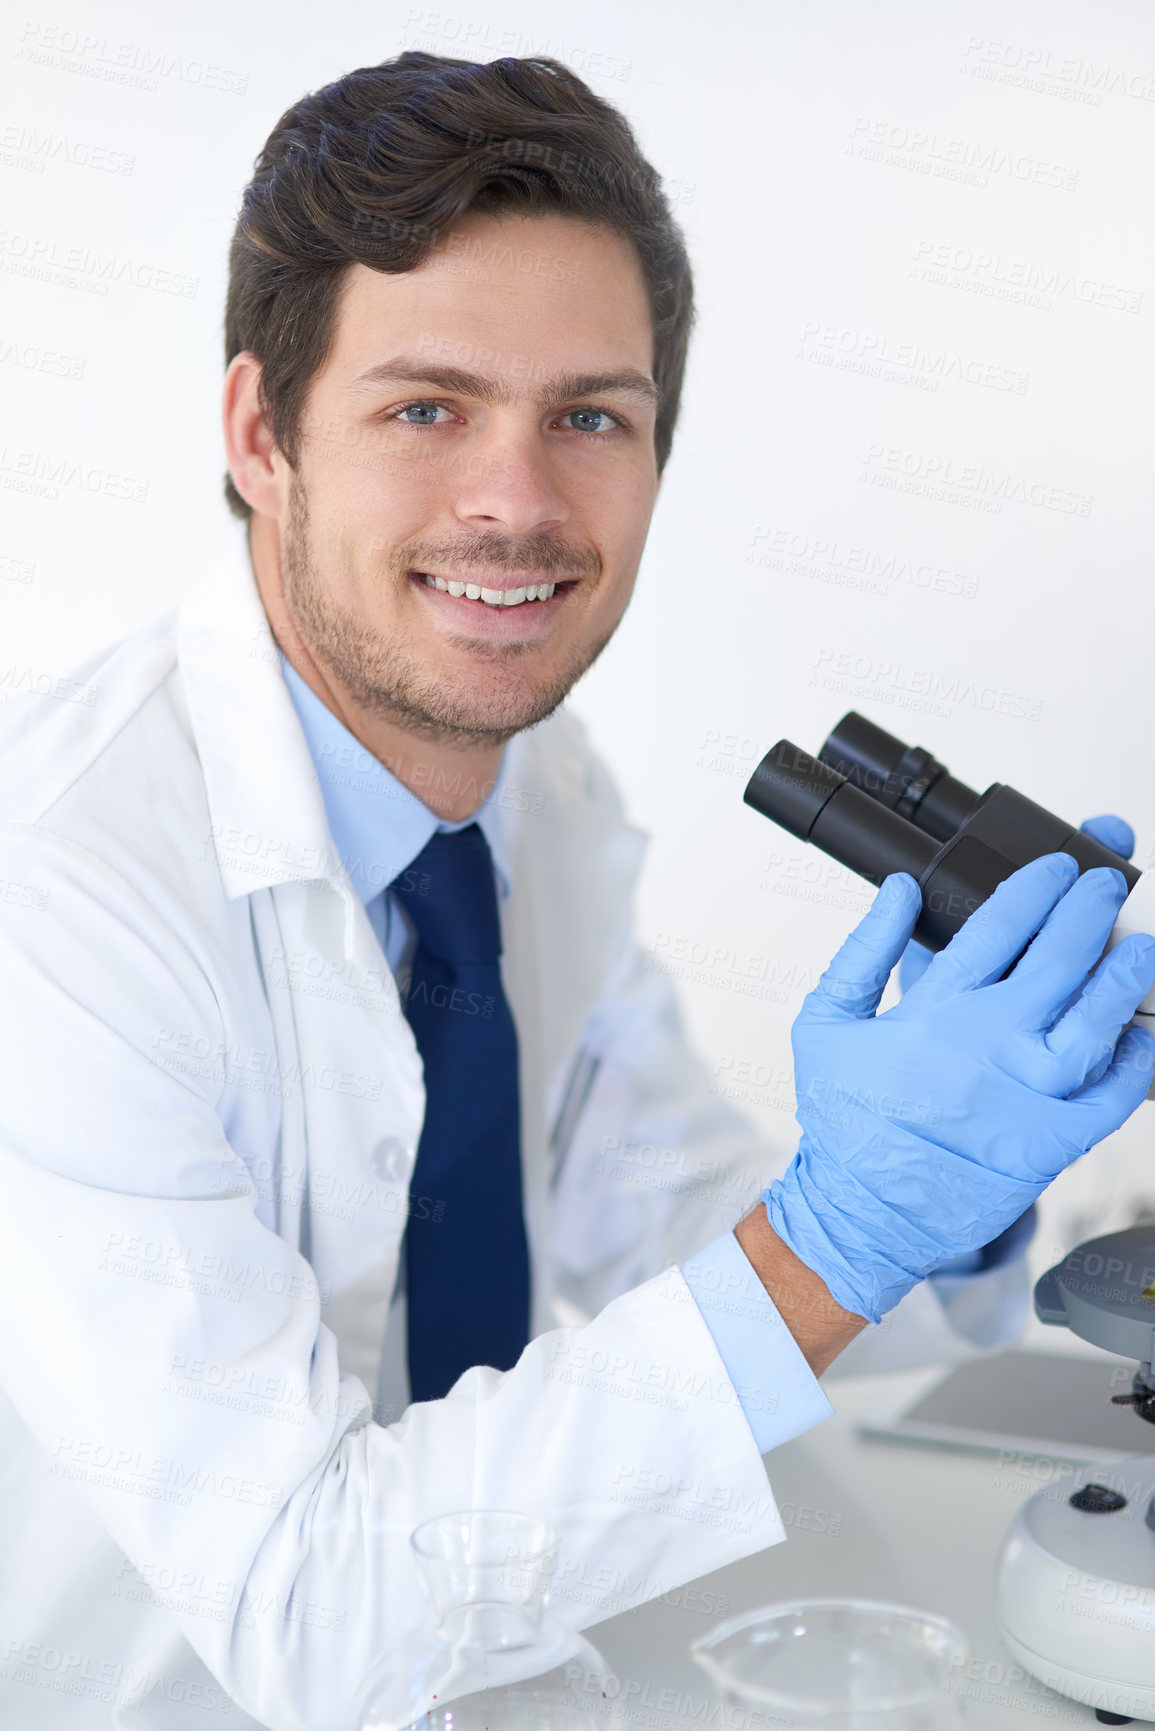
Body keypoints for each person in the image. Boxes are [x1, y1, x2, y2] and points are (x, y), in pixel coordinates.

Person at [0, 50, 1150, 1731]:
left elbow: (637, 1232)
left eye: (589, 417)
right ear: (261, 431)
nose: (518, 504)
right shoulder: (62, 897)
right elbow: (308, 1617)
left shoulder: (530, 792)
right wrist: (845, 1231)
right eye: (425, 408)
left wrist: (952, 1184)